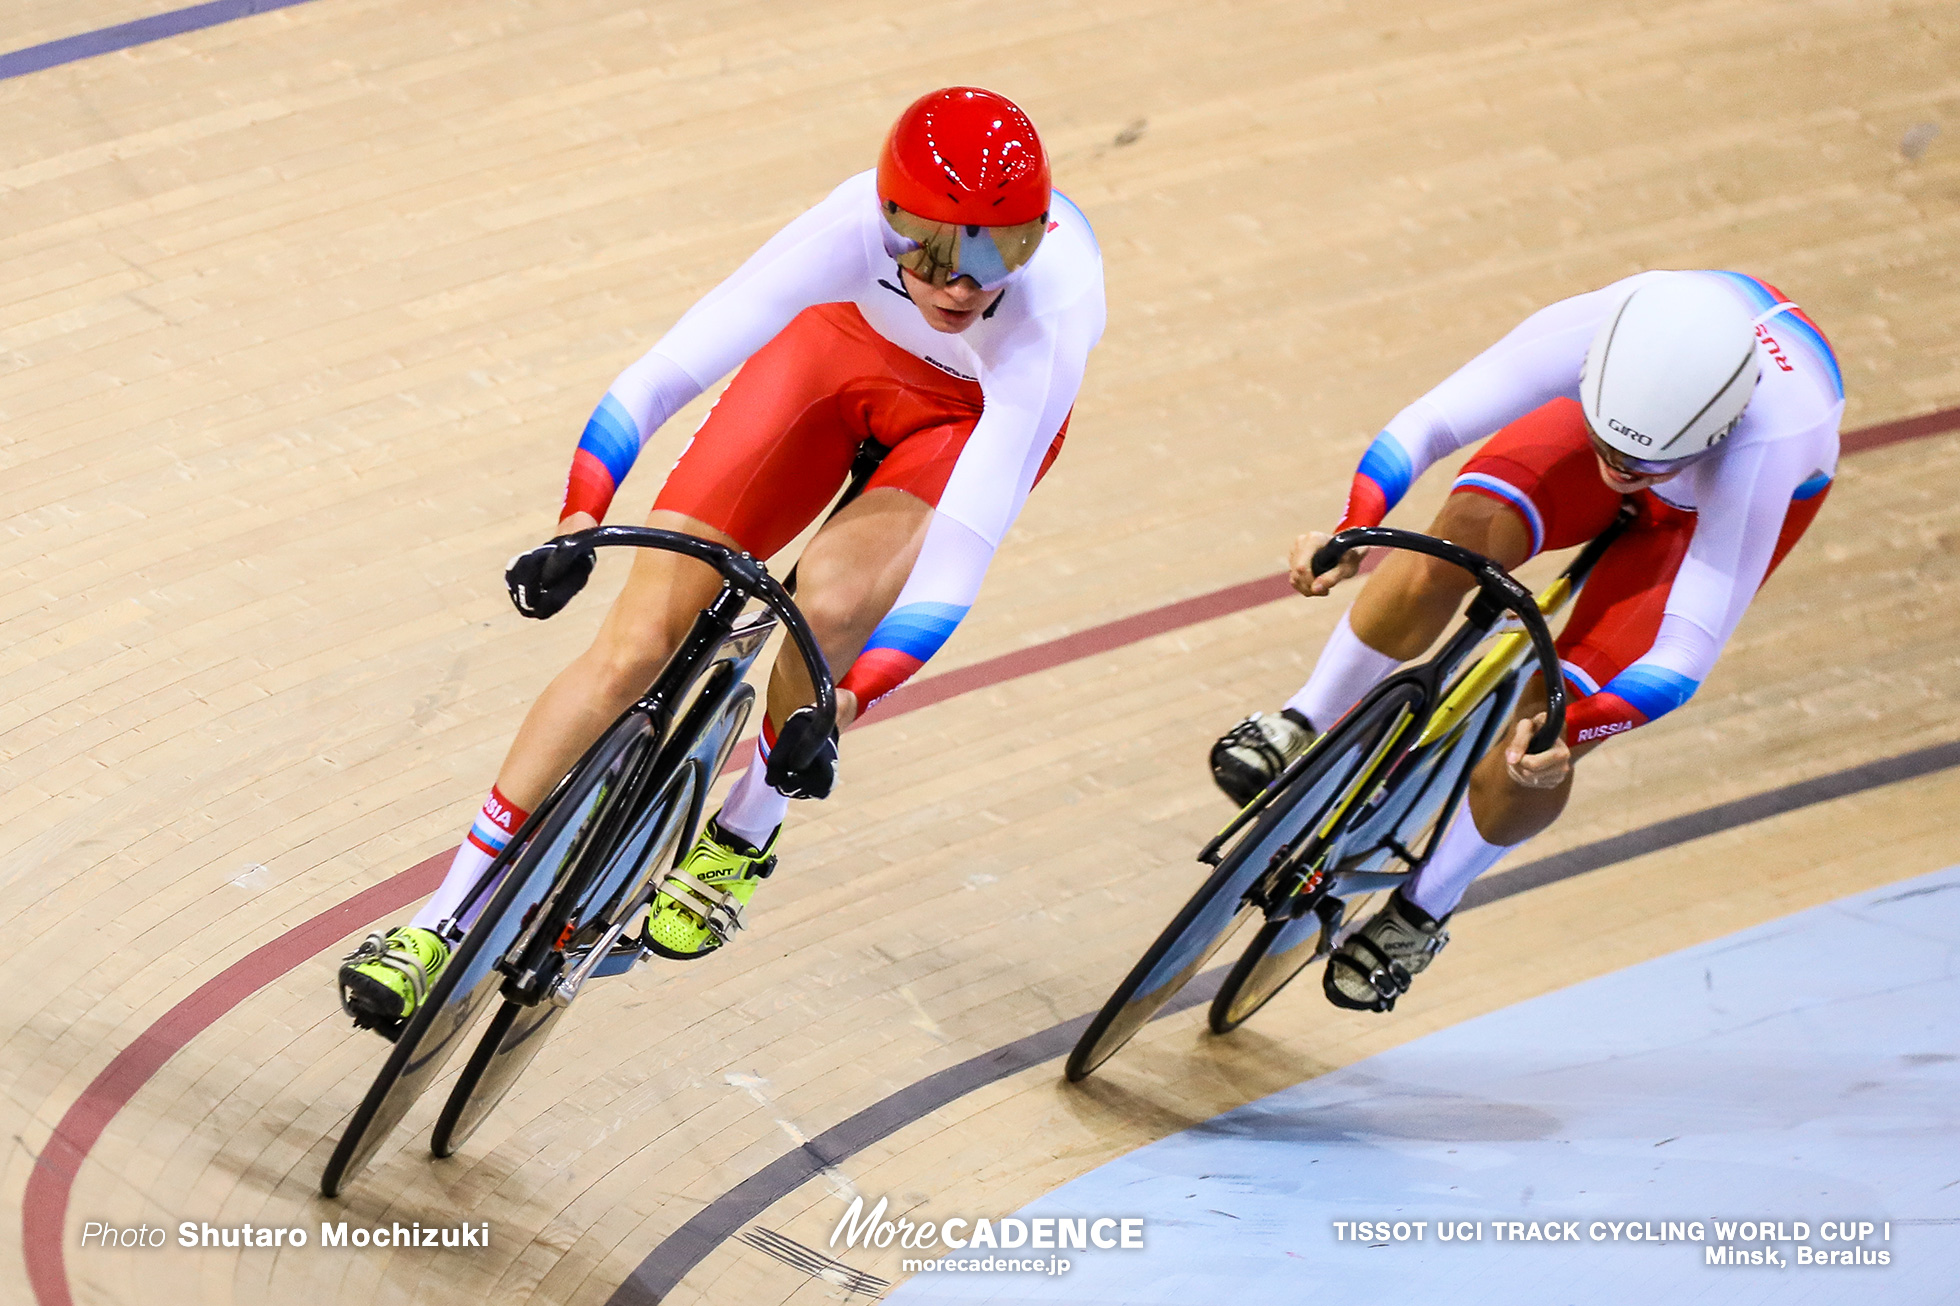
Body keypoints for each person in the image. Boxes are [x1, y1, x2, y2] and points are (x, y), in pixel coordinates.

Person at [337, 87, 1105, 1033]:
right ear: (887, 219)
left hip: (968, 421)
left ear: (1033, 240)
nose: (960, 283)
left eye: (998, 251)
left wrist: (843, 705)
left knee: (828, 606)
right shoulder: (845, 230)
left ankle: (745, 829)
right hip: (835, 356)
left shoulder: (1050, 311)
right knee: (633, 646)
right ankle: (438, 923)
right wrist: (580, 518)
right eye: (933, 251)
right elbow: (662, 374)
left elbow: (956, 566)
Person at [1210, 270, 1840, 1011]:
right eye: (1614, 447)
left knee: (1549, 725)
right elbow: (1431, 423)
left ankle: (1425, 906)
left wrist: (1581, 726)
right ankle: (1307, 718)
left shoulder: (1769, 440)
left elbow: (1684, 654)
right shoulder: (1598, 326)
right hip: (1627, 430)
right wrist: (1355, 523)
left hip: (1704, 524)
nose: (1626, 471)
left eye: (1648, 463)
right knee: (1445, 549)